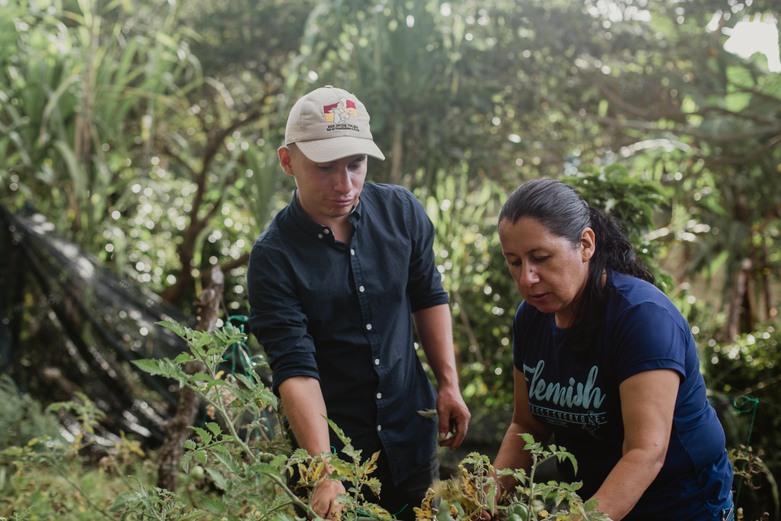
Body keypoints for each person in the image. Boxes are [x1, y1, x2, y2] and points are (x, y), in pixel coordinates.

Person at [247, 86, 470, 520]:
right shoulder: (274, 258)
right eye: (326, 168)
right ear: (288, 161)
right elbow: (295, 368)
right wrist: (323, 470)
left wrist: (448, 383)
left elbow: (428, 294)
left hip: (411, 428)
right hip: (334, 448)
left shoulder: (401, 212)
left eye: (356, 165)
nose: (344, 184)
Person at [492, 178, 734, 520]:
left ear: (586, 244)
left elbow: (645, 452)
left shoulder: (642, 318)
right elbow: (528, 426)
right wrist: (484, 496)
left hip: (680, 504)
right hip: (598, 501)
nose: (526, 278)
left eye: (541, 258)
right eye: (514, 262)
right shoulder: (531, 319)